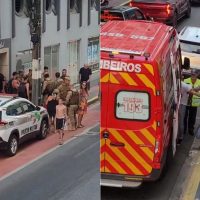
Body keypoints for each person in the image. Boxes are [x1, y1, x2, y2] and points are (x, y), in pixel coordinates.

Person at [184, 69, 200, 136]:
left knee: (192, 118)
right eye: (192, 74)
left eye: (194, 74)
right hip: (186, 102)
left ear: (197, 75)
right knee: (185, 117)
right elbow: (184, 90)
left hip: (194, 103)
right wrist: (195, 90)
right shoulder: (186, 80)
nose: (193, 75)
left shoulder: (199, 82)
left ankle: (191, 129)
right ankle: (184, 129)